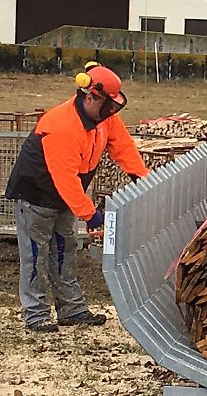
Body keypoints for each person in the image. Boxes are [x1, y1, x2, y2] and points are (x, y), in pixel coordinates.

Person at [5, 62, 149, 332]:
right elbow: (64, 179)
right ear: (91, 96)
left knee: (64, 249)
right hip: (35, 195)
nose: (112, 113)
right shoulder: (62, 126)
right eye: (109, 105)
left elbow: (124, 148)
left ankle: (71, 309)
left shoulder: (104, 120)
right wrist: (91, 215)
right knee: (36, 254)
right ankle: (36, 315)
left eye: (116, 107)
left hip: (65, 196)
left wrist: (141, 178)